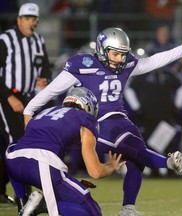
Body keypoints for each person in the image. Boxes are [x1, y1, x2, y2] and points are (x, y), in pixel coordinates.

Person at [23, 27, 182, 215]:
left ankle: (128, 208)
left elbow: (152, 62)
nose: (120, 59)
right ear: (103, 50)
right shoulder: (83, 65)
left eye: (123, 54)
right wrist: (29, 110)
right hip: (94, 123)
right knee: (134, 148)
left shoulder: (125, 64)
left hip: (119, 118)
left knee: (136, 161)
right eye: (116, 54)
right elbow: (53, 90)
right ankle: (167, 163)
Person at [6, 86, 126, 216]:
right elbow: (95, 172)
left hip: (13, 160)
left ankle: (22, 201)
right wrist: (111, 166)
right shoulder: (85, 120)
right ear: (88, 106)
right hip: (41, 165)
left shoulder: (45, 112)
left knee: (16, 151)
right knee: (93, 211)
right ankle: (42, 205)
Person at [0, 3, 51, 205]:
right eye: (26, 18)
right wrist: (8, 97)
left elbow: (45, 68)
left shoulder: (38, 40)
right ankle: (25, 196)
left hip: (29, 99)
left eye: (33, 19)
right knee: (18, 145)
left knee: (17, 146)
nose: (30, 22)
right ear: (19, 19)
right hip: (6, 97)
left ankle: (3, 191)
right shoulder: (6, 39)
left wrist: (44, 79)